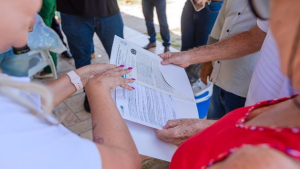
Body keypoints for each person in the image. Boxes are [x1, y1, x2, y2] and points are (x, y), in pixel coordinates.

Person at [157, 1, 300, 168]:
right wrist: (191, 56)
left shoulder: (265, 159)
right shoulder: (283, 107)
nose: (279, 29)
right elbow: (256, 36)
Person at [0, 0, 140, 168]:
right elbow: (123, 163)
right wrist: (98, 91)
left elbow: (24, 103)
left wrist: (83, 75)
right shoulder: (11, 129)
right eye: (26, 15)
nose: (35, 23)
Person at [161, 0, 266, 119]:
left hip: (243, 88)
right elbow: (219, 25)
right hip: (219, 79)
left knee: (230, 133)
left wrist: (190, 56)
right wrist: (207, 62)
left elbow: (255, 39)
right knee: (211, 127)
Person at [56, 0, 124, 112]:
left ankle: (123, 92)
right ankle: (89, 93)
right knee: (81, 58)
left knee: (119, 55)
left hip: (107, 8)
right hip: (72, 11)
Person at [181, 0, 223, 82]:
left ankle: (193, 77)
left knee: (202, 47)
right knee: (186, 44)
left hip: (211, 5)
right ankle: (181, 73)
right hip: (191, 4)